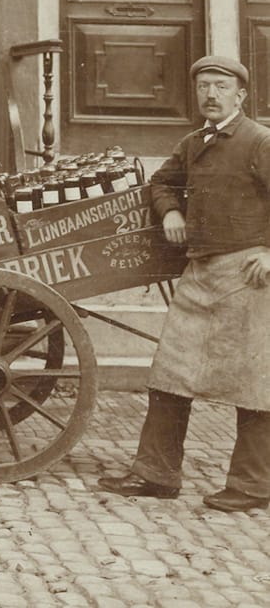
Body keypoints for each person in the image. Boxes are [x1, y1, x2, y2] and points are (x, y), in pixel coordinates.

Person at [98, 55, 270, 512]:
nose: (210, 95)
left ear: (241, 95)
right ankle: (156, 473)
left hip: (248, 277)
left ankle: (252, 486)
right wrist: (170, 209)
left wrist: (269, 252)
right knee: (170, 374)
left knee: (253, 384)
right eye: (203, 87)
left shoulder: (260, 141)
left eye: (220, 86)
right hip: (200, 274)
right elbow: (160, 182)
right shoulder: (194, 143)